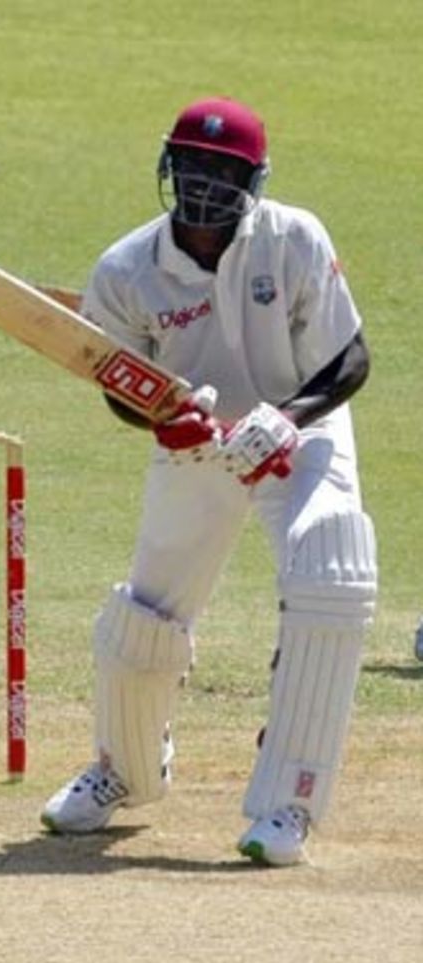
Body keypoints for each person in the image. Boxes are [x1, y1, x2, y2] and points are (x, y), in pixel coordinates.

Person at [40, 97, 376, 867]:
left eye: (223, 169)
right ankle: (122, 768)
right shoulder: (126, 269)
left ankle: (287, 801)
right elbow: (118, 384)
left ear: (253, 179)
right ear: (167, 166)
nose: (203, 182)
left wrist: (288, 418)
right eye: (191, 163)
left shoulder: (294, 238)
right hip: (195, 445)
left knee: (331, 571)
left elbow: (350, 358)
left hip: (303, 436)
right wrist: (161, 420)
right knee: (147, 613)